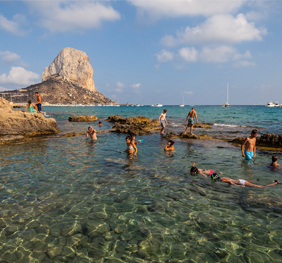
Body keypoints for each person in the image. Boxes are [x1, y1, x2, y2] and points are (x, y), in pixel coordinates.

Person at [210, 174, 281, 188]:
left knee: (261, 187)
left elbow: (231, 182)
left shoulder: (222, 180)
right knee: (251, 183)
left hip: (241, 182)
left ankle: (276, 182)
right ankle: (255, 180)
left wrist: (240, 185)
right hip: (239, 179)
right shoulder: (223, 177)